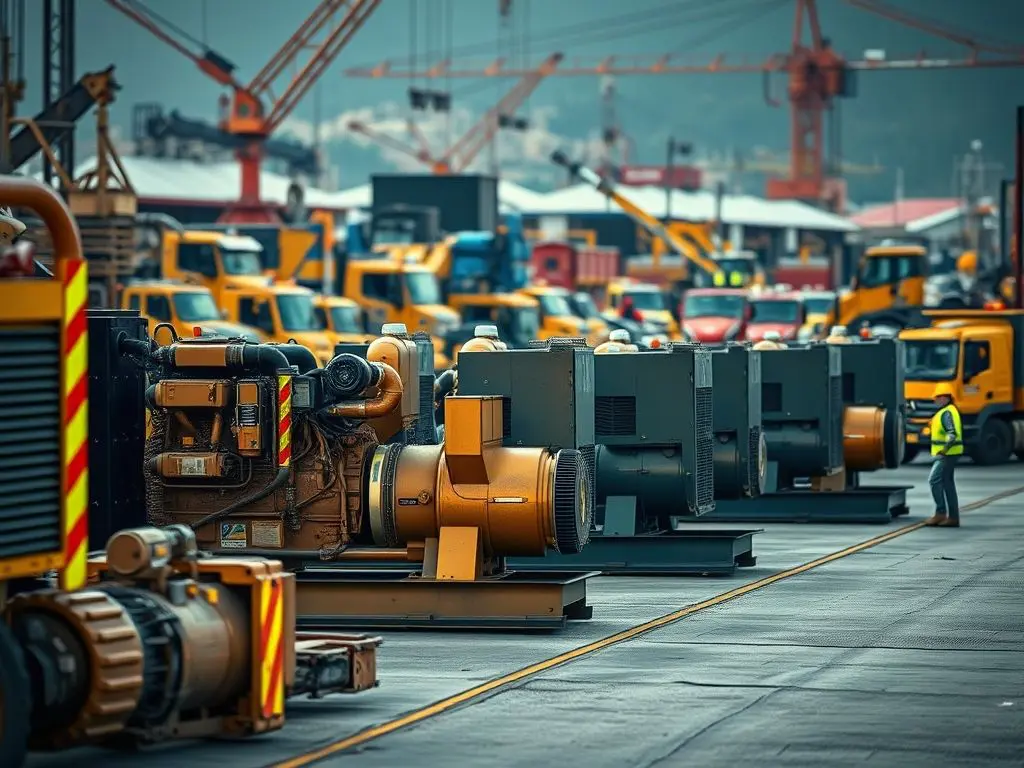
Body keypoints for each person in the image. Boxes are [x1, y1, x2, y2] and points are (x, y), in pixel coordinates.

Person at [925, 382, 963, 528]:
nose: (935, 400)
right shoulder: (948, 411)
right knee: (948, 484)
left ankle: (940, 513)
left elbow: (951, 434)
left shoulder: (947, 413)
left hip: (947, 454)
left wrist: (944, 450)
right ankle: (953, 517)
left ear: (946, 398)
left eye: (938, 397)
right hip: (950, 453)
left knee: (934, 480)